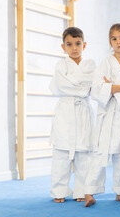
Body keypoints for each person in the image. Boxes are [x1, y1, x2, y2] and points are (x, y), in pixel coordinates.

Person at [84, 23, 120, 207]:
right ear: (110, 42)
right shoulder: (106, 62)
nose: (118, 42)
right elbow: (97, 88)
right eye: (114, 39)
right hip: (107, 116)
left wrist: (111, 88)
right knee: (99, 153)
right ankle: (89, 190)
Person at [49, 27, 96, 203]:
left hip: (83, 111)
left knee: (84, 155)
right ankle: (59, 191)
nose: (74, 48)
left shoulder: (90, 64)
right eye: (69, 44)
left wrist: (78, 85)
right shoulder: (61, 65)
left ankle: (82, 191)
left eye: (78, 44)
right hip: (65, 111)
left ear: (84, 45)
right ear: (64, 47)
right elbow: (61, 86)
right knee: (61, 153)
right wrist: (84, 87)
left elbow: (93, 83)